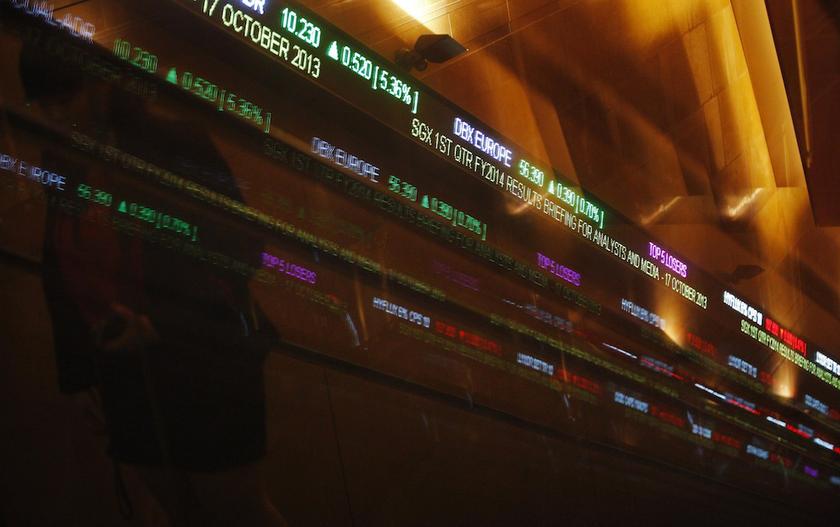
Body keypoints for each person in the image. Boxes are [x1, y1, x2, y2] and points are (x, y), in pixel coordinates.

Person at [16, 21, 286, 526]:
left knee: (233, 507)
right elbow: (59, 268)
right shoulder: (64, 163)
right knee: (179, 511)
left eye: (63, 98)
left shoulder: (169, 142)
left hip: (203, 358)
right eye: (42, 105)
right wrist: (78, 377)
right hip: (125, 374)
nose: (55, 115)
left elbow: (238, 244)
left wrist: (158, 321)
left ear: (99, 84)